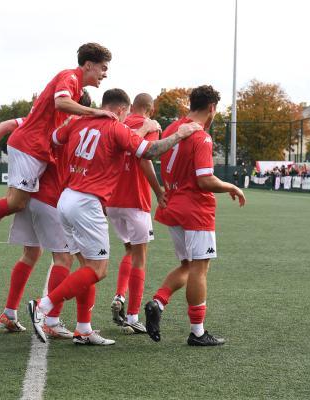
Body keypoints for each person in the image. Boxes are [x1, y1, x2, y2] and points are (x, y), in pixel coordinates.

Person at [27, 88, 202, 346]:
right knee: (98, 269)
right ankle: (43, 306)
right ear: (121, 110)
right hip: (87, 202)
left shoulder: (79, 121)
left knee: (87, 266)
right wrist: (179, 134)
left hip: (65, 198)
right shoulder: (114, 127)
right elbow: (150, 151)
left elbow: (54, 138)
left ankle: (83, 329)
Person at [0, 43, 117, 261]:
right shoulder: (70, 77)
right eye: (103, 68)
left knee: (30, 243)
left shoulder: (72, 91)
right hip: (28, 147)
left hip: (32, 150)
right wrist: (95, 112)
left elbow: (12, 123)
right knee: (15, 203)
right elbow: (61, 102)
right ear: (88, 65)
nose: (105, 74)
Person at [143, 85, 246, 347]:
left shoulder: (172, 130)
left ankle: (158, 302)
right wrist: (231, 186)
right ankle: (198, 332)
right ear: (212, 108)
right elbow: (204, 180)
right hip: (196, 209)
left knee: (188, 265)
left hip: (173, 204)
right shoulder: (201, 137)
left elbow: (151, 157)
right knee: (200, 268)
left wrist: (161, 190)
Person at [0, 90, 93, 338]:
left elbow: (10, 125)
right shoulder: (76, 130)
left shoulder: (43, 124)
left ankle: (9, 312)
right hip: (50, 198)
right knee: (64, 259)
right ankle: (51, 319)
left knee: (31, 253)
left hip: (29, 194)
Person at [106, 93, 164, 334]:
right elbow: (144, 158)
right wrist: (159, 191)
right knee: (140, 256)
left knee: (129, 249)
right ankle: (132, 316)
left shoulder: (117, 124)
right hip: (135, 199)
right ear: (149, 110)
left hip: (112, 200)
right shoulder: (149, 125)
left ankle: (120, 294)